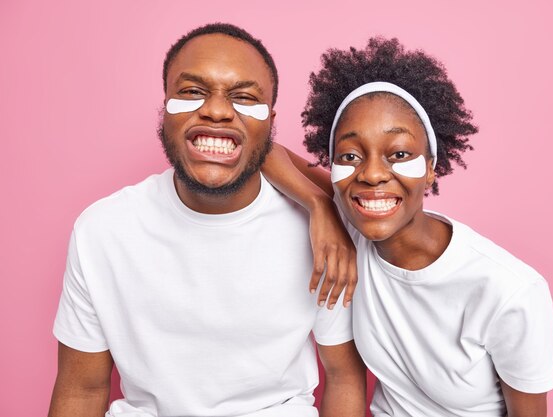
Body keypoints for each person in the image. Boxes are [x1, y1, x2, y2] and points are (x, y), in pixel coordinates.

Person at [48, 23, 366, 417]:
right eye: (193, 92)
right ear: (164, 109)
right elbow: (81, 390)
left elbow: (345, 377)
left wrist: (320, 207)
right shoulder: (102, 231)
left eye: (244, 97)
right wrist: (318, 204)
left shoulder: (323, 238)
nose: (216, 110)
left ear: (270, 120)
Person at [267, 37, 553, 416]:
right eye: (350, 155)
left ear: (430, 167)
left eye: (400, 153)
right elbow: (265, 150)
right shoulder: (352, 223)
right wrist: (319, 205)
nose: (371, 174)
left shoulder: (510, 292)